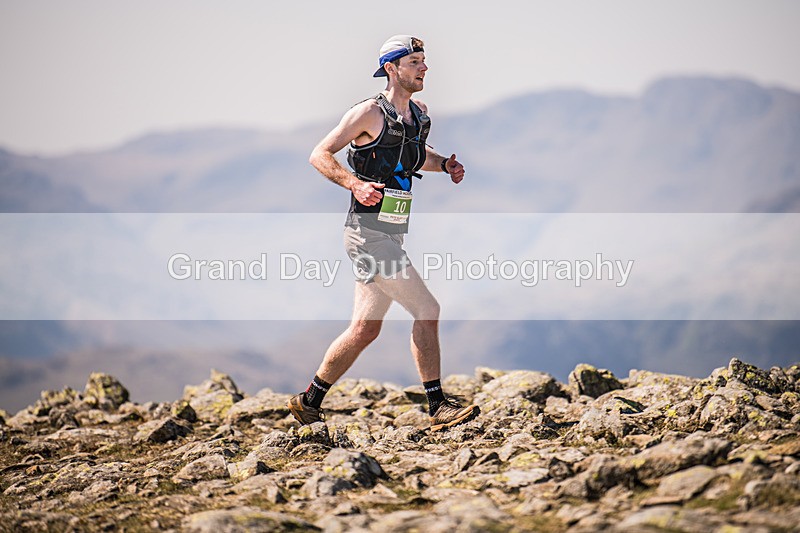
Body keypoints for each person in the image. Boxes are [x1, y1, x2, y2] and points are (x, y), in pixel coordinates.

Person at [287, 35, 479, 432]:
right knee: (427, 310)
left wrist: (444, 165)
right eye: (414, 61)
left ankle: (308, 401)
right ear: (392, 68)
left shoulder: (420, 115)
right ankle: (438, 405)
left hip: (392, 231)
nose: (423, 68)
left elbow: (411, 155)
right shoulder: (367, 113)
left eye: (424, 60)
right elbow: (319, 154)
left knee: (365, 329)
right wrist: (353, 184)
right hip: (367, 232)